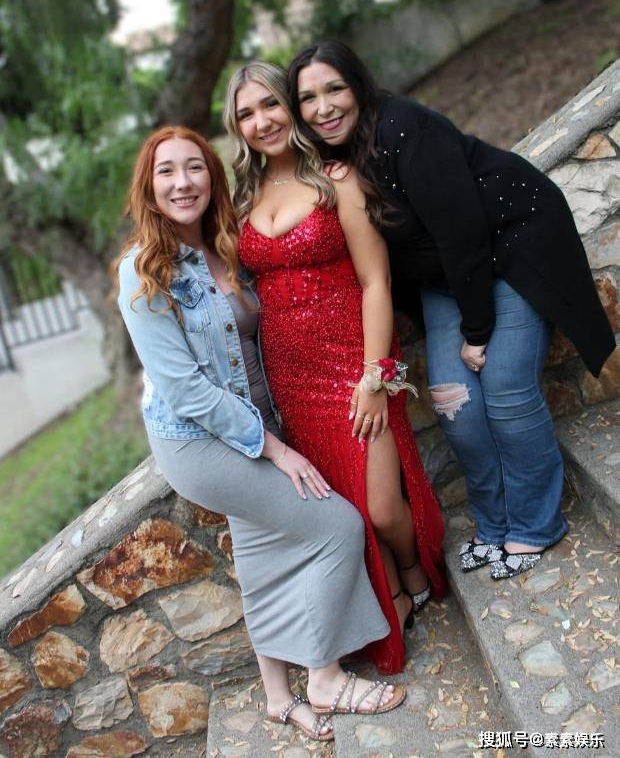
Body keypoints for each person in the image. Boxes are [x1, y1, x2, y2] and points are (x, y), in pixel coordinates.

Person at [116, 126, 409, 741]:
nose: (182, 183)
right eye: (166, 172)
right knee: (336, 525)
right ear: (148, 187)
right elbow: (186, 391)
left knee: (260, 554)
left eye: (194, 167)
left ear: (212, 177)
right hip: (200, 440)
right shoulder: (143, 273)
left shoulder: (226, 247)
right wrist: (274, 449)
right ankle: (324, 677)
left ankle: (277, 697)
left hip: (254, 420)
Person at [287, 40, 616, 580]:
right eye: (308, 98)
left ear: (358, 86)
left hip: (509, 249)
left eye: (334, 89)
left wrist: (477, 331)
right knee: (453, 403)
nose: (323, 108)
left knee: (506, 390)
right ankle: (494, 524)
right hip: (445, 277)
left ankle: (535, 525)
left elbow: (463, 231)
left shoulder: (405, 129)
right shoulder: (331, 161)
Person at [223, 61, 446, 676]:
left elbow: (376, 282)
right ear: (237, 128)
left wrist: (375, 377)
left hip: (354, 362)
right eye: (246, 114)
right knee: (344, 506)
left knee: (382, 506)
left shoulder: (336, 179)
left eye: (271, 104)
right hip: (290, 377)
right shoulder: (240, 202)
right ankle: (392, 596)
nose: (262, 121)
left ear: (291, 107)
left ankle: (412, 567)